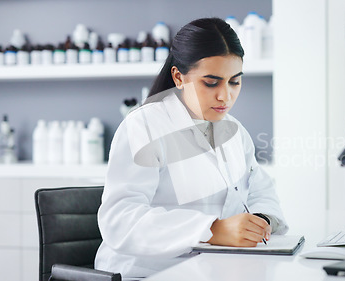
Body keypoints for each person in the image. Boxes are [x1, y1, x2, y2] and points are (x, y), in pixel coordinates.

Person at [94, 17, 288, 279]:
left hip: (211, 268)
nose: (225, 96)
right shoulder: (144, 126)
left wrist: (261, 219)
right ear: (178, 77)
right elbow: (121, 220)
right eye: (211, 82)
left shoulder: (234, 131)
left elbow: (260, 189)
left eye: (234, 81)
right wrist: (212, 229)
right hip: (144, 273)